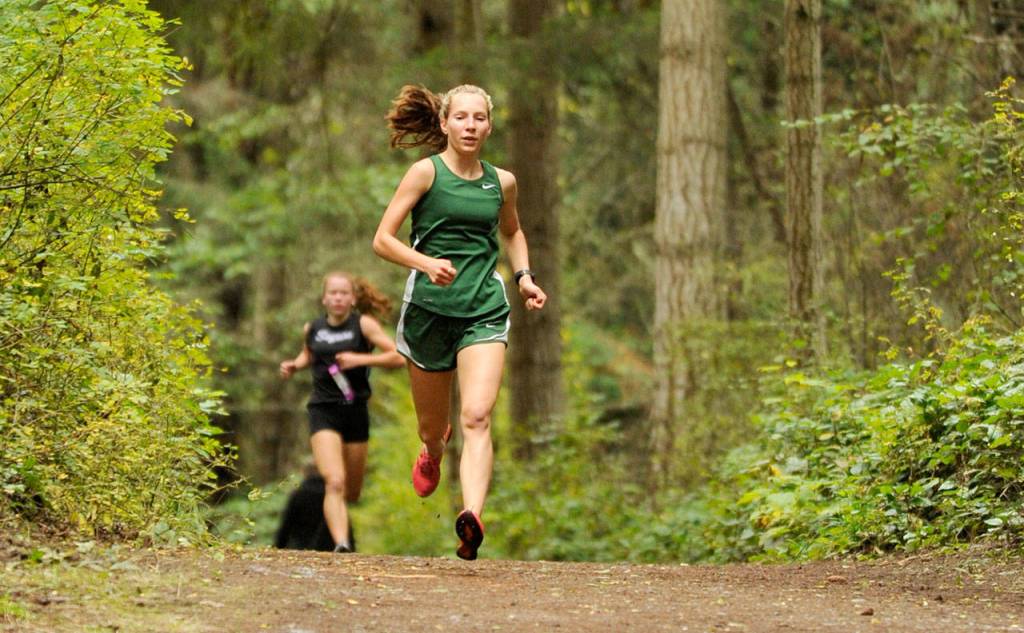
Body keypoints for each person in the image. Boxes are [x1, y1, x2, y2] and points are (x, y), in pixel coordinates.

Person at [372, 84, 547, 560]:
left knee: (477, 415)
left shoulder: (502, 182)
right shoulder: (424, 173)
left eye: (479, 119)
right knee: (435, 426)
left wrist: (524, 278)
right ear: (446, 124)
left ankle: (471, 516)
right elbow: (382, 240)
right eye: (462, 118)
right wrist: (425, 264)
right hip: (428, 312)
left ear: (489, 125)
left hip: (484, 309)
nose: (470, 126)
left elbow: (512, 232)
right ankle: (432, 450)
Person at [280, 271, 405, 553]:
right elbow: (308, 355)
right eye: (333, 293)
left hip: (356, 410)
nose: (338, 298)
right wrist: (294, 365)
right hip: (323, 410)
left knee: (352, 490)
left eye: (343, 293)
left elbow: (397, 356)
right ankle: (342, 544)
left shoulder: (364, 325)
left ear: (352, 299)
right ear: (324, 298)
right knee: (334, 481)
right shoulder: (312, 328)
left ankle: (339, 534)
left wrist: (359, 359)